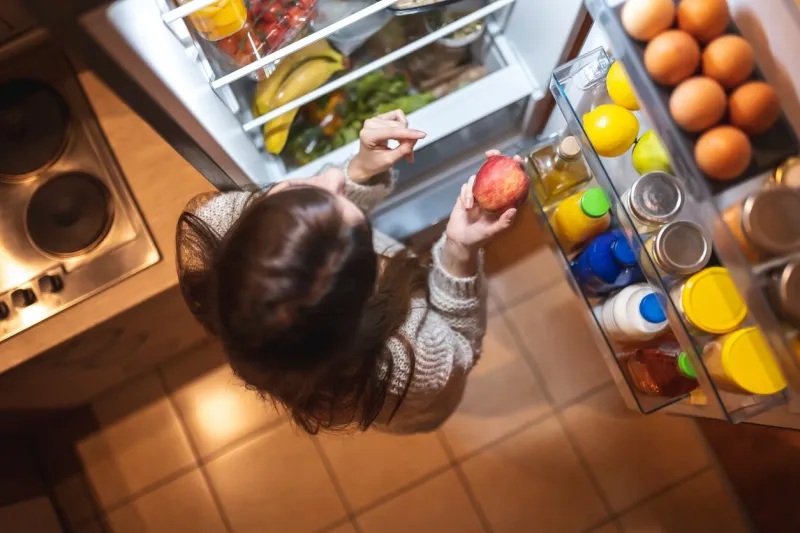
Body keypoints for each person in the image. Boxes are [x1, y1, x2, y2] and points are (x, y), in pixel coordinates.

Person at [176, 110, 521, 435]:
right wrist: (460, 249)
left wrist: (359, 170)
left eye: (294, 192)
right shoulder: (405, 363)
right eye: (362, 229)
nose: (332, 175)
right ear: (365, 283)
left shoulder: (216, 224)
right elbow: (460, 348)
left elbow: (317, 230)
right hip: (419, 405)